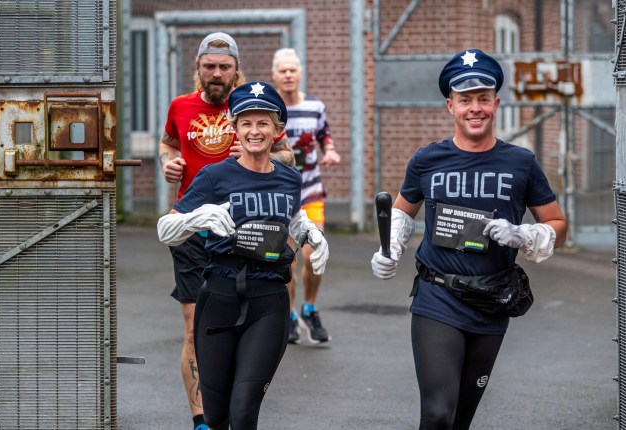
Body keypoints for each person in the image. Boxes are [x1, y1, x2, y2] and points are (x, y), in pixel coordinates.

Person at [370, 49, 568, 429]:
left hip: (491, 300)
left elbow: (558, 223)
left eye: (482, 99)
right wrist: (388, 248)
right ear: (450, 106)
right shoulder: (428, 159)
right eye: (465, 101)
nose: (474, 109)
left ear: (496, 103)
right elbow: (401, 210)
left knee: (460, 419)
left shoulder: (521, 163)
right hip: (437, 296)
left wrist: (523, 233)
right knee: (438, 413)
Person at [157, 81, 329, 430]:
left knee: (245, 409)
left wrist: (311, 232)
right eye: (246, 123)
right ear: (234, 128)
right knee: (218, 415)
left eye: (263, 122)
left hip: (268, 300)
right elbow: (165, 230)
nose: (254, 130)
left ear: (277, 130)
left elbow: (291, 218)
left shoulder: (289, 178)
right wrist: (197, 218)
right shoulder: (213, 176)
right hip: (219, 296)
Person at [271, 48, 341, 344]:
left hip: (310, 192)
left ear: (300, 73)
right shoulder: (268, 107)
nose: (288, 74)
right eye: (282, 70)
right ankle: (288, 316)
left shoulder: (315, 106)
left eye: (293, 69)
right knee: (287, 262)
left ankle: (310, 308)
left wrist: (330, 150)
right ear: (274, 75)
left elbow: (324, 133)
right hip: (279, 197)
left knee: (314, 255)